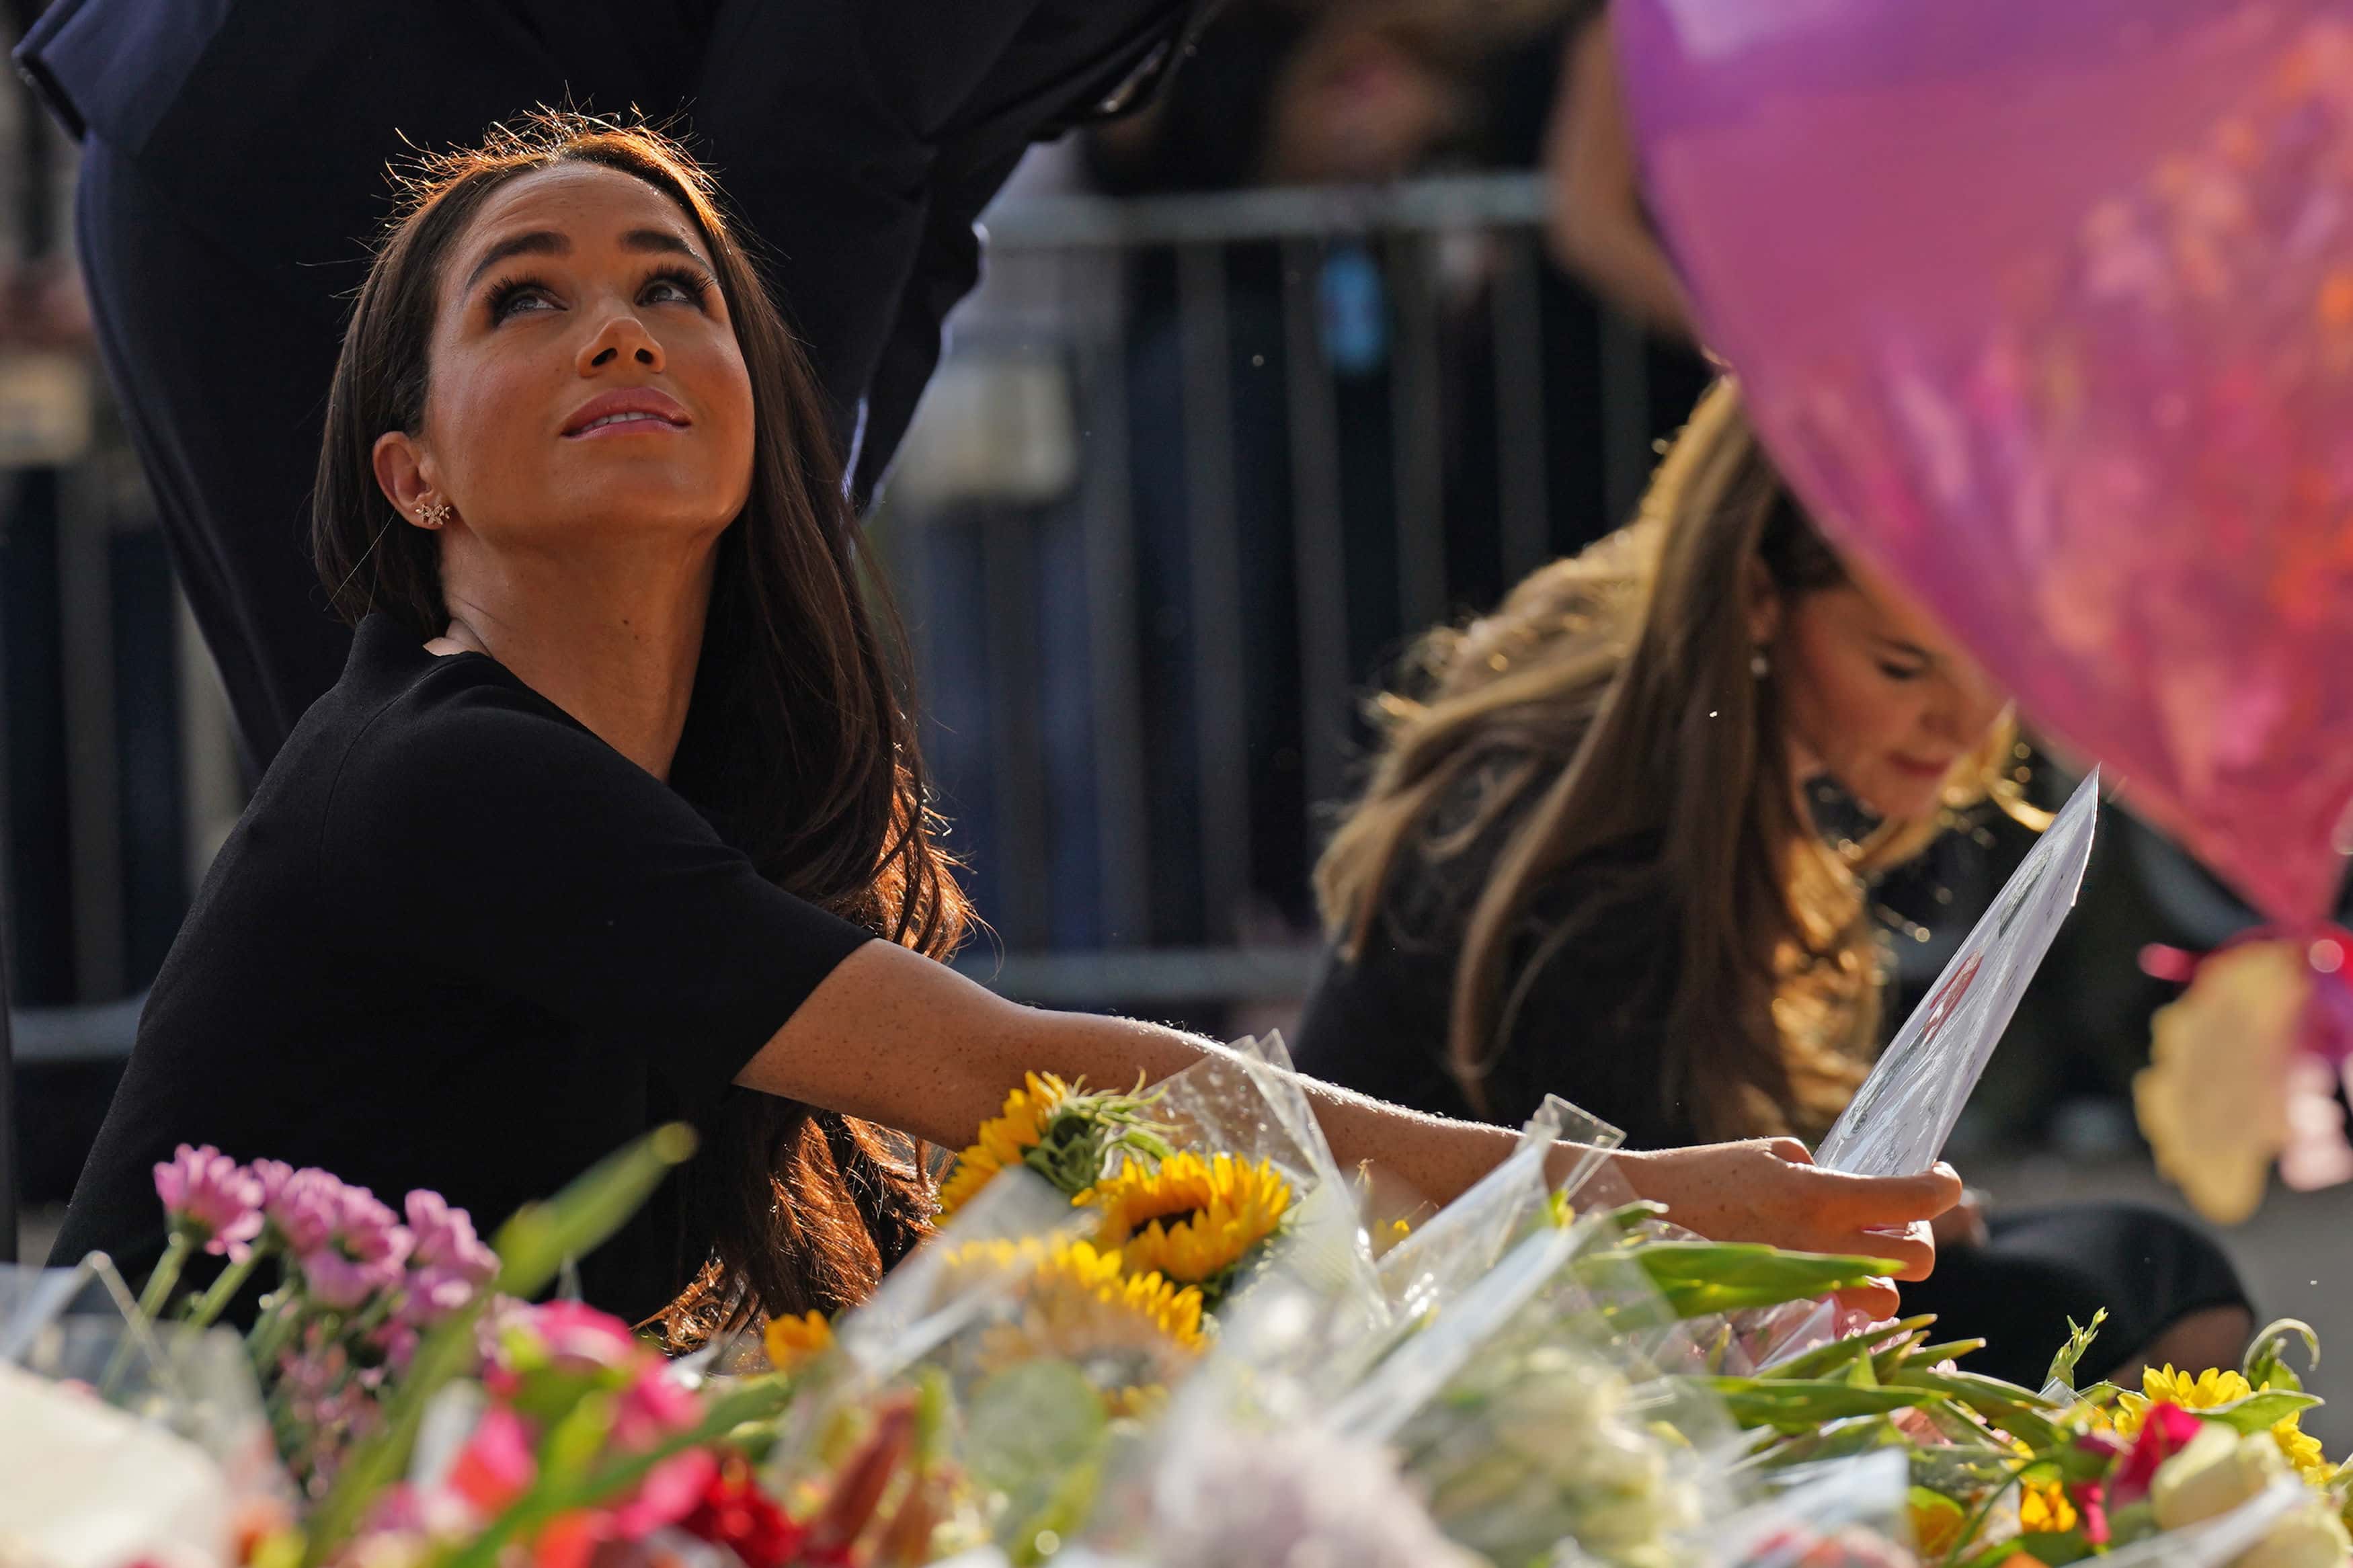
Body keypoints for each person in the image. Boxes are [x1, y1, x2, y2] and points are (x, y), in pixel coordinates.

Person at [48, 116, 1960, 1347]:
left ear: (752, 407)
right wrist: (1627, 1197)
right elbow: (1027, 1075)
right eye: (523, 304)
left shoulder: (649, 784)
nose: (616, 330)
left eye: (670, 290)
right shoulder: (447, 769)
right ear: (413, 475)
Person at [1293, 380, 2252, 1388]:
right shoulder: (1603, 853)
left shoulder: (1674, 753)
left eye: (1992, 657)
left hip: (1573, 1288)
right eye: (1901, 666)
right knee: (2156, 1279)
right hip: (1442, 1344)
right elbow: (1673, 1240)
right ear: (1760, 596)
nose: (1966, 719)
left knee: (2130, 1264)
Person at [13, 0, 1219, 774]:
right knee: (436, 835)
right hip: (321, 152)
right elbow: (810, 146)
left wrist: (793, 534)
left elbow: (919, 198)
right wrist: (761, 549)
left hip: (423, 177)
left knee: (498, 851)